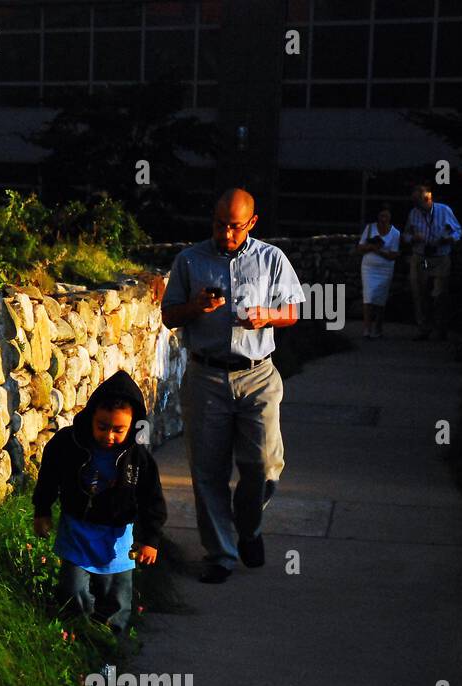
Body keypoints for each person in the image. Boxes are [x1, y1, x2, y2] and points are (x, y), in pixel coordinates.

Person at [160, 188, 305, 584]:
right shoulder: (190, 259)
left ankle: (249, 524)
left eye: (235, 227)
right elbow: (169, 315)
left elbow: (294, 310)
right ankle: (221, 554)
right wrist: (196, 308)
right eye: (220, 224)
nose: (226, 233)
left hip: (258, 374)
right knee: (208, 471)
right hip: (206, 375)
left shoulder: (271, 258)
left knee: (263, 463)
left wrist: (268, 316)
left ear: (252, 223)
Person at [31, 370, 167, 641]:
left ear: (133, 426)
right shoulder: (68, 444)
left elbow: (151, 498)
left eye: (119, 430)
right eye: (102, 426)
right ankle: (77, 634)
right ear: (91, 416)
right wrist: (42, 510)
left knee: (115, 593)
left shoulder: (138, 457)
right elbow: (48, 478)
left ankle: (110, 641)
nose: (109, 436)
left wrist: (149, 538)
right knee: (72, 588)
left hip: (118, 536)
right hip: (77, 529)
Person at [404, 184, 462, 341]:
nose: (416, 205)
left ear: (427, 198)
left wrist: (448, 239)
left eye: (418, 201)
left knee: (439, 294)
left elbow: (458, 231)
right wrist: (413, 238)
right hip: (422, 258)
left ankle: (441, 328)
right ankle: (424, 329)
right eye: (414, 202)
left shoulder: (444, 210)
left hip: (440, 258)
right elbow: (406, 234)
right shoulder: (414, 213)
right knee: (420, 293)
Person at [357, 204, 400, 339]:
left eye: (386, 215)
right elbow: (360, 247)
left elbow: (393, 255)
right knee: (368, 297)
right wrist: (372, 246)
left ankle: (378, 327)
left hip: (385, 269)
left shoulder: (395, 233)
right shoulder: (370, 228)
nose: (384, 218)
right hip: (369, 268)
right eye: (382, 215)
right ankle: (367, 328)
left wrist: (378, 250)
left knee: (380, 300)